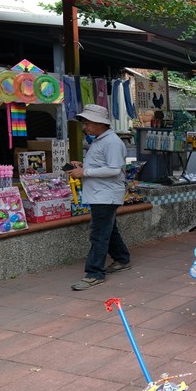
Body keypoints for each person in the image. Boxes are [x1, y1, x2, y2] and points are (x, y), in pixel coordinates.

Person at [66, 104, 132, 290]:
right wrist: (82, 166)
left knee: (99, 234)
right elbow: (103, 165)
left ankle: (94, 273)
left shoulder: (111, 142)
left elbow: (113, 169)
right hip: (100, 194)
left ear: (100, 123)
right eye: (84, 123)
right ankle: (122, 259)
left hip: (105, 194)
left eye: (88, 123)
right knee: (108, 230)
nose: (85, 126)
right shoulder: (101, 140)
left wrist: (84, 171)